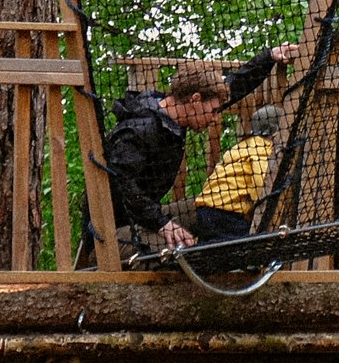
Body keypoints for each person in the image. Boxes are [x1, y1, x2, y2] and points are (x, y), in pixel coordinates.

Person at [106, 43, 298, 253]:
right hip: (112, 231)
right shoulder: (139, 129)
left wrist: (269, 56)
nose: (216, 117)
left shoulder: (172, 114)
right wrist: (162, 224)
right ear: (195, 100)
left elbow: (236, 85)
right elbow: (122, 184)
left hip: (145, 216)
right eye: (213, 111)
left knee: (208, 208)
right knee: (178, 252)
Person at [189, 104, 283, 242]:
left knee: (210, 249)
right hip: (228, 213)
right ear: (276, 134)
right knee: (243, 246)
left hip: (205, 209)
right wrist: (264, 199)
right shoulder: (264, 148)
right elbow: (261, 180)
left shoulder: (241, 147)